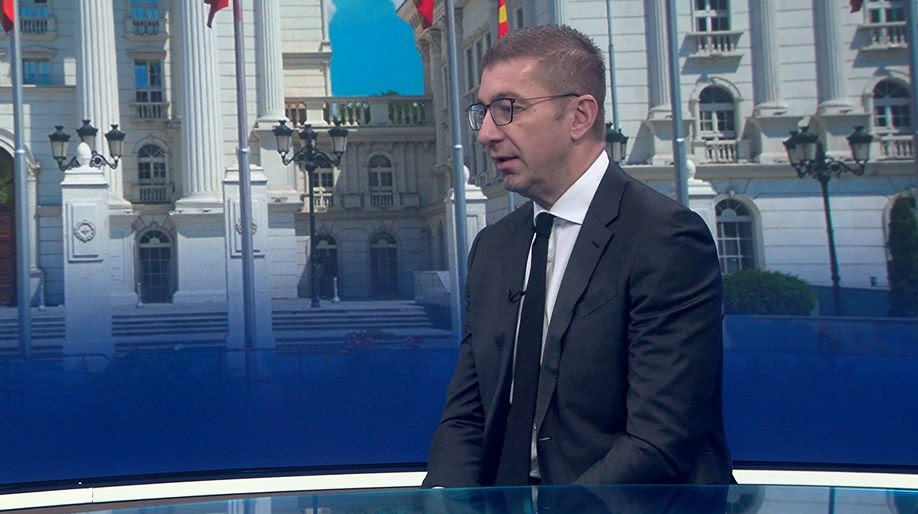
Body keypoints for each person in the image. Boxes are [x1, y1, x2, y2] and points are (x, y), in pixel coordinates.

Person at [422, 25, 733, 487]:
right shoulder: (493, 247)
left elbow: (660, 440)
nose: (486, 133)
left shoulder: (665, 239)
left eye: (507, 108)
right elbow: (467, 417)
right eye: (482, 112)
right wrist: (449, 502)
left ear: (579, 116)